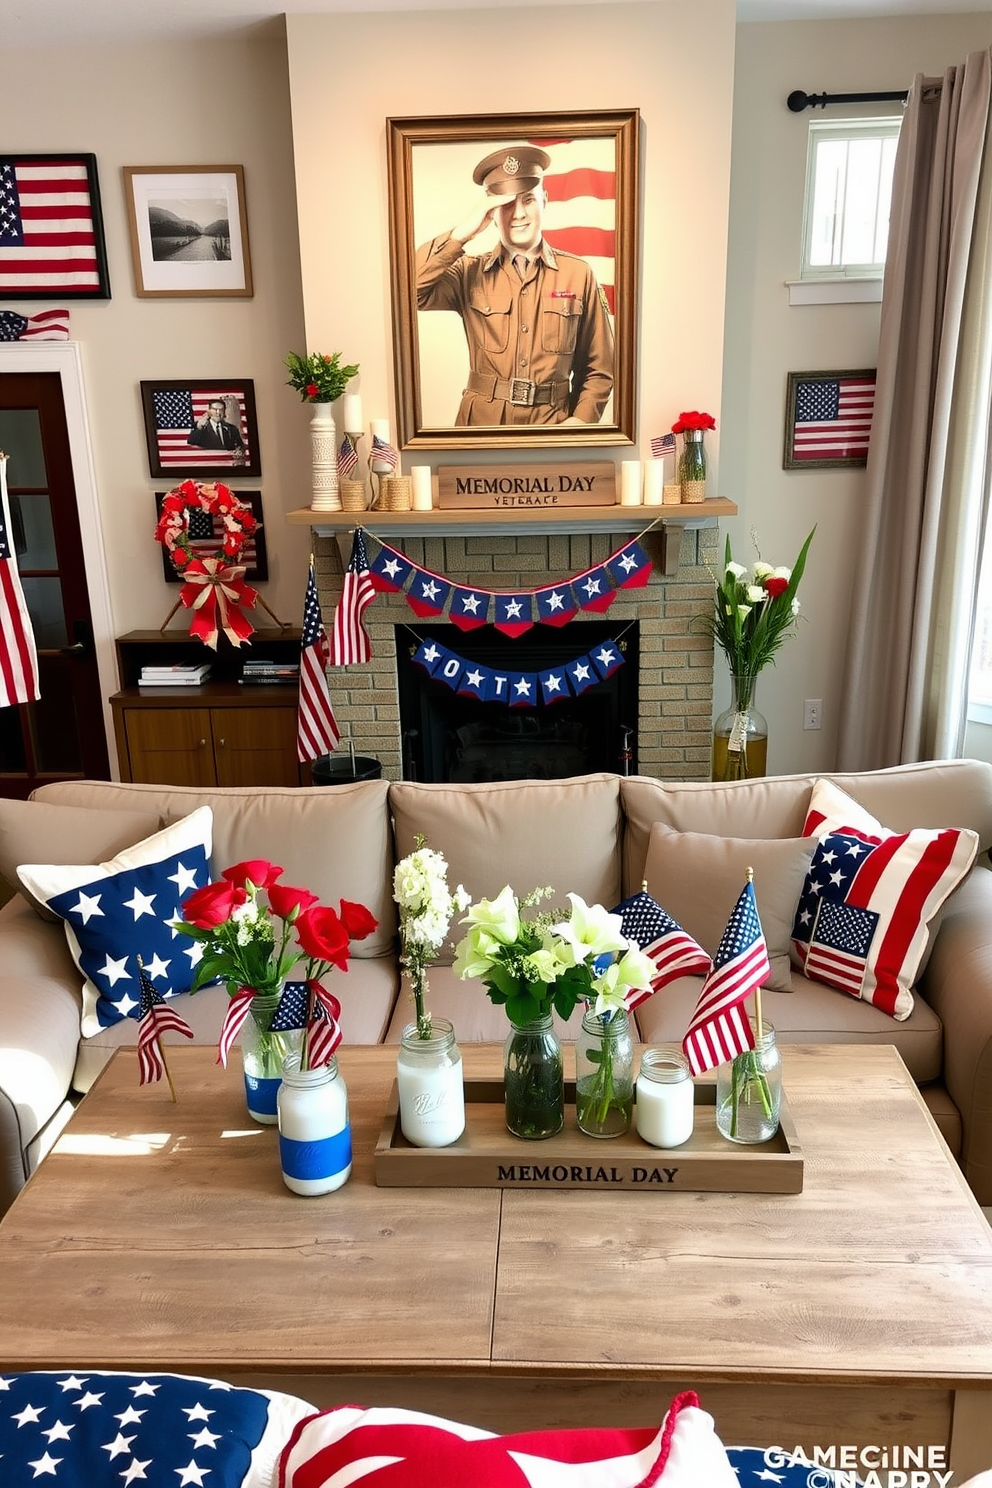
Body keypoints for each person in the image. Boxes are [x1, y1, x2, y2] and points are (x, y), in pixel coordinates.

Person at [415, 145, 614, 427]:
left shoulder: (578, 274)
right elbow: (409, 291)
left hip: (551, 425)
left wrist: (579, 423)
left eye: (529, 200)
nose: (518, 213)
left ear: (545, 201)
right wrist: (461, 233)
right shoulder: (467, 272)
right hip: (481, 427)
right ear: (491, 212)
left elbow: (600, 369)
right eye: (506, 204)